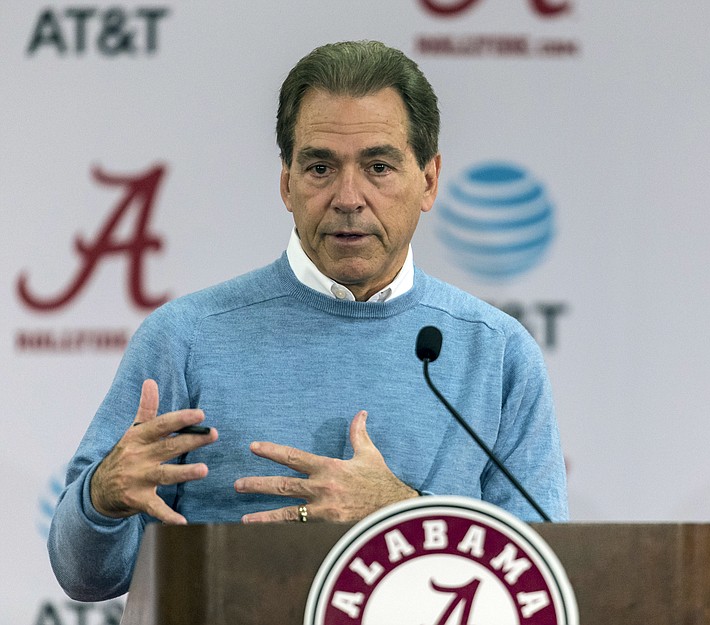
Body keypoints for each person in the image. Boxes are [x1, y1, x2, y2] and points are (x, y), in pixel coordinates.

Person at [48, 40, 568, 601]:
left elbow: (537, 583)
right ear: (286, 184)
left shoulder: (497, 353)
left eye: (378, 166)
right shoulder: (187, 339)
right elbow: (84, 575)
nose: (348, 197)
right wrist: (100, 496)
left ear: (430, 180)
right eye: (320, 167)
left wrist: (404, 516)